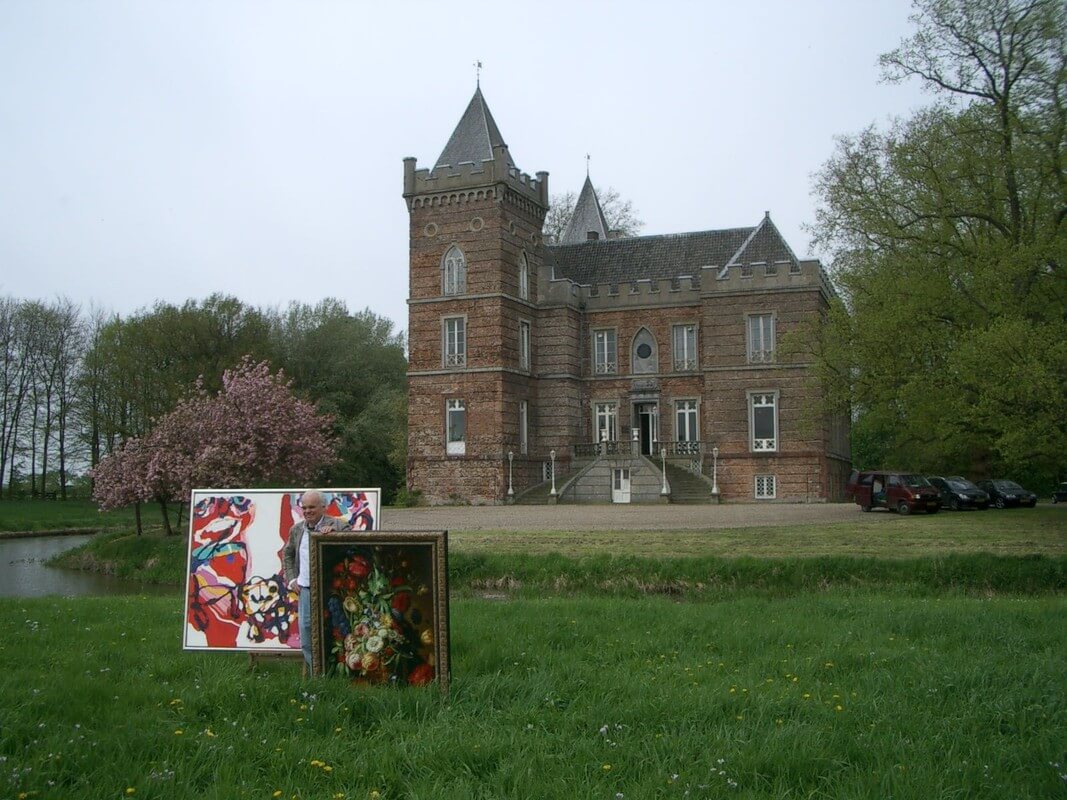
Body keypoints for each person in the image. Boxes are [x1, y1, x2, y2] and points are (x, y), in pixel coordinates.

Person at [283, 490, 349, 670]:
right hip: (306, 590)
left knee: (335, 631)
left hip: (332, 590)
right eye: (304, 507)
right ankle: (317, 677)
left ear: (323, 507)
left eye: (312, 507)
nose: (307, 511)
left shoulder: (338, 525)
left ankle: (337, 676)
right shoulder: (296, 530)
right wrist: (291, 580)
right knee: (306, 634)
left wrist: (336, 534)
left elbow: (354, 544)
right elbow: (287, 554)